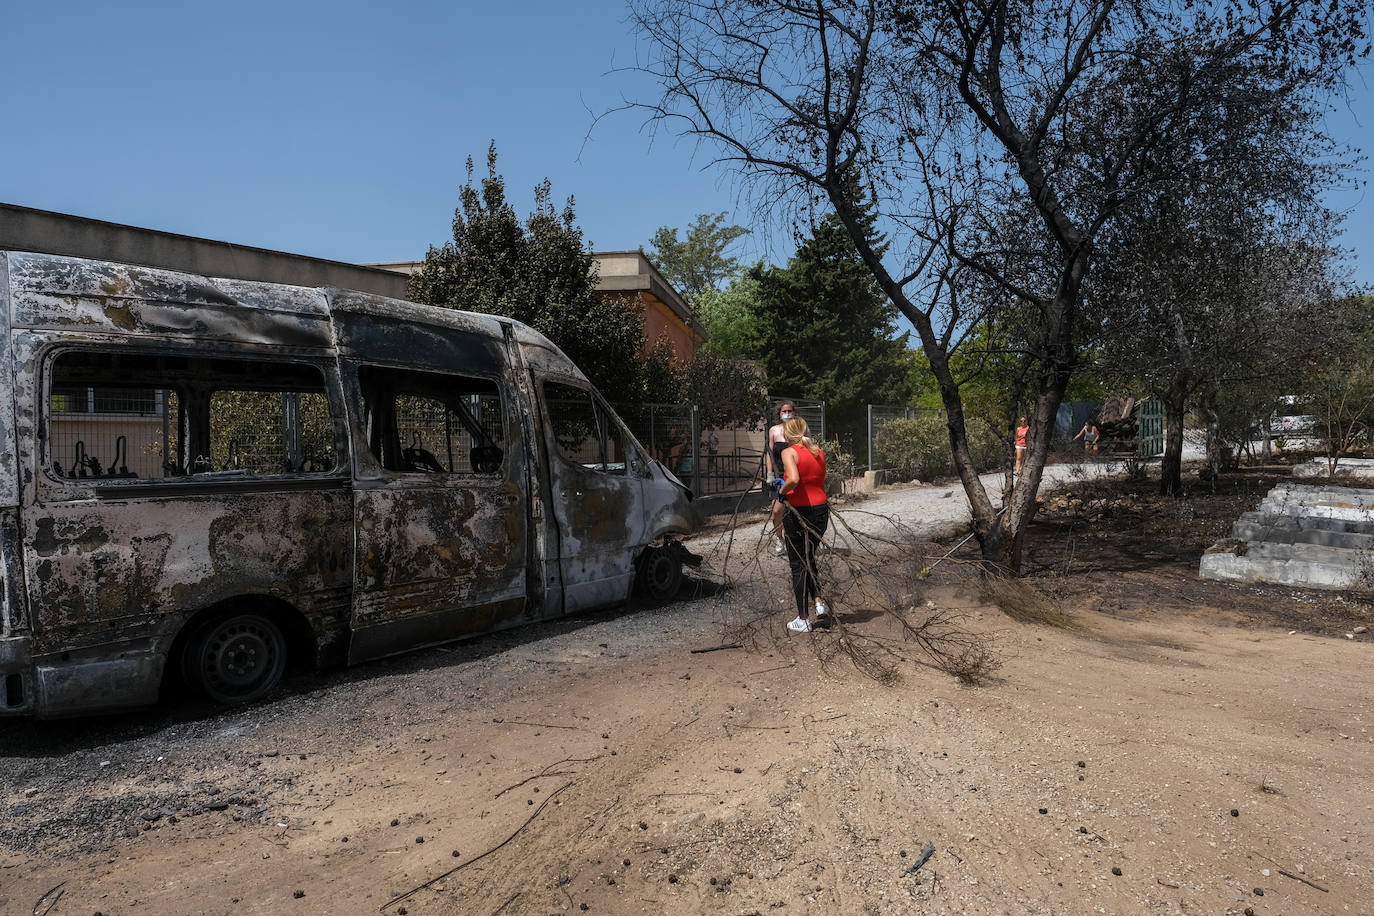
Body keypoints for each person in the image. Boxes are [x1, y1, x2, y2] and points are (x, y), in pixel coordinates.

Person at [777, 416, 830, 633]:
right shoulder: (817, 451)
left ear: (788, 434)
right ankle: (818, 603)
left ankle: (803, 618)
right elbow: (818, 479)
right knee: (809, 558)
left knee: (798, 564)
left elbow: (795, 479)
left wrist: (780, 492)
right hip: (821, 510)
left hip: (799, 513)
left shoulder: (789, 452)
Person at [763, 402, 795, 555]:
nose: (787, 413)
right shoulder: (773, 430)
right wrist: (769, 474)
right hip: (778, 476)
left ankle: (797, 540)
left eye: (789, 411)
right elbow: (769, 453)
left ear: (794, 412)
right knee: (777, 511)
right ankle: (779, 538)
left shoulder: (798, 430)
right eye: (784, 411)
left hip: (794, 475)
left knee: (796, 510)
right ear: (779, 413)